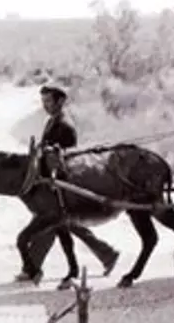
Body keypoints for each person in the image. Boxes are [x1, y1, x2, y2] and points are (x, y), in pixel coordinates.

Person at [15, 84, 120, 283]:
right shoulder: (53, 122)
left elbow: (66, 157)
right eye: (43, 101)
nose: (45, 105)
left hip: (63, 182)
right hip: (54, 182)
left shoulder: (64, 125)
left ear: (60, 101)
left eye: (48, 101)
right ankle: (106, 254)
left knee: (49, 222)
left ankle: (32, 268)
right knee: (64, 223)